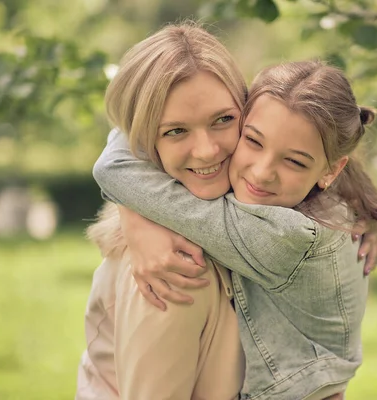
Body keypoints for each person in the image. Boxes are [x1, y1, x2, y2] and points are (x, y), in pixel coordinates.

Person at [92, 50, 377, 400]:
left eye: (293, 161)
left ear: (330, 171)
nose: (261, 172)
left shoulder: (284, 235)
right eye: (253, 140)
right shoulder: (318, 192)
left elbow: (116, 172)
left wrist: (137, 219)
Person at [75, 23, 247, 400]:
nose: (206, 151)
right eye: (175, 132)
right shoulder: (170, 267)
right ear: (142, 143)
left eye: (223, 120)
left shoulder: (257, 214)